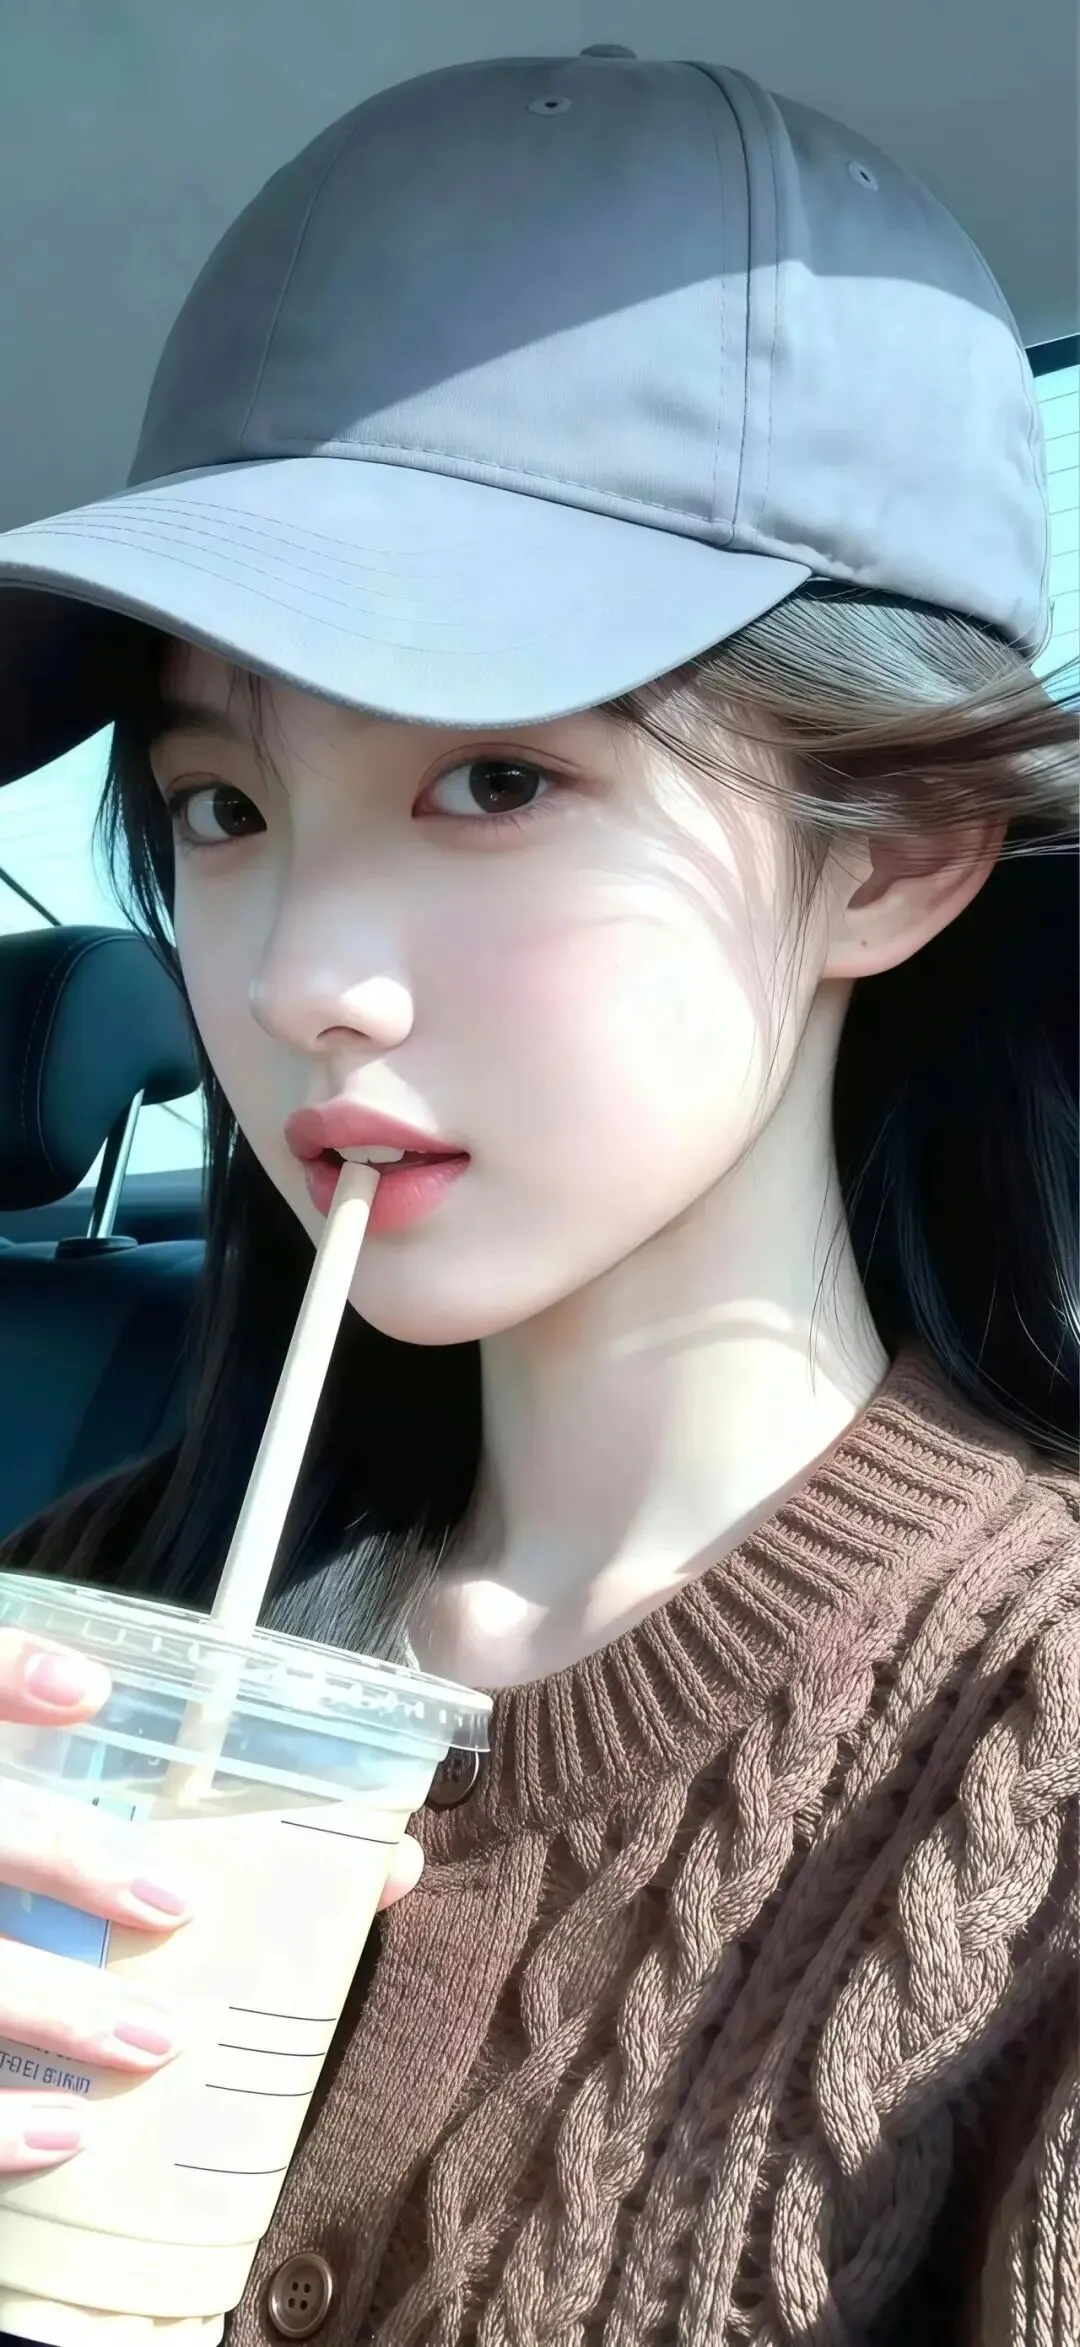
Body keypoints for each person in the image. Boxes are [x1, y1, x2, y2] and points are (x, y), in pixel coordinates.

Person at [0, 46, 1075, 2347]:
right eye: (221, 807)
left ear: (894, 852)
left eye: (496, 777)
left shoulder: (1038, 1768)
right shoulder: (73, 1622)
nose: (300, 975)